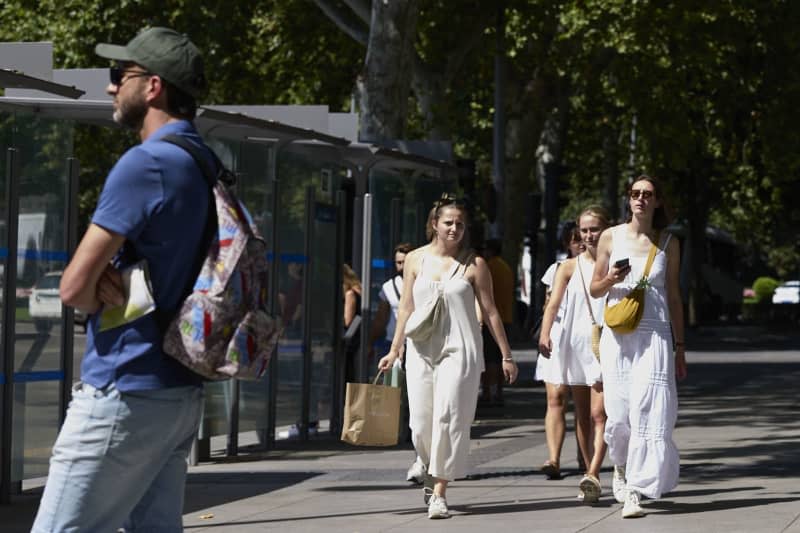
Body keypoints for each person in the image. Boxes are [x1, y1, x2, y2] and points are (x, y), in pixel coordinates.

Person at [32, 27, 211, 531]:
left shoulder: (147, 162)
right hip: (180, 390)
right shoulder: (201, 160)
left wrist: (97, 285)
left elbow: (72, 288)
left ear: (152, 86)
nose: (111, 87)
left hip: (125, 386)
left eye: (119, 75)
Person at [378, 195, 519, 520]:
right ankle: (427, 463)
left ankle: (439, 492)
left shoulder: (475, 264)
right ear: (434, 224)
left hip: (460, 349)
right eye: (448, 223)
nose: (454, 228)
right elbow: (406, 308)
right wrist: (394, 349)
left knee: (449, 418)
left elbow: (491, 311)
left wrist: (506, 355)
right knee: (419, 424)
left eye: (460, 224)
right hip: (421, 349)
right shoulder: (415, 259)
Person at [590, 175, 688, 519]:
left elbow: (674, 296)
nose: (640, 199)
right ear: (627, 199)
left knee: (652, 409)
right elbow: (594, 289)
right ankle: (620, 467)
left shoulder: (668, 242)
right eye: (634, 193)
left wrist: (680, 345)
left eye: (647, 194)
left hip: (656, 335)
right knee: (619, 413)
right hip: (619, 336)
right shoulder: (610, 236)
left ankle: (635, 488)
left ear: (658, 201)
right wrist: (611, 279)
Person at [537, 206, 612, 504]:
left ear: (606, 229)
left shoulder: (617, 262)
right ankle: (588, 472)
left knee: (600, 413)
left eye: (594, 229)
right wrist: (544, 334)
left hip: (610, 342)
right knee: (582, 414)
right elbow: (553, 304)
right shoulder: (568, 267)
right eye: (584, 230)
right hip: (578, 344)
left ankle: (596, 471)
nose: (589, 235)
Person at [366, 243, 426, 484]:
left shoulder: (424, 283)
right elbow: (381, 318)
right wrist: (372, 342)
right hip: (394, 346)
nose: (401, 267)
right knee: (394, 394)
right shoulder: (388, 288)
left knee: (417, 398)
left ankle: (417, 442)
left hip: (419, 346)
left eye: (404, 262)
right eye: (398, 262)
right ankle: (397, 432)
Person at [480, 238, 514, 406]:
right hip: (506, 317)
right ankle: (499, 390)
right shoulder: (506, 267)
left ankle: (487, 391)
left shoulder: (489, 267)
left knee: (489, 359)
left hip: (491, 321)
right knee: (502, 357)